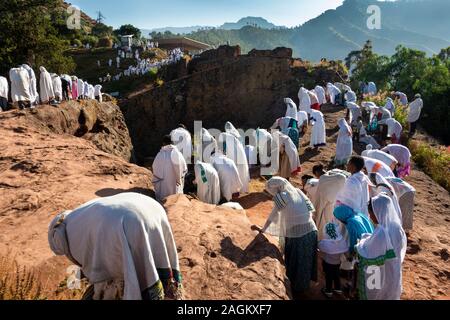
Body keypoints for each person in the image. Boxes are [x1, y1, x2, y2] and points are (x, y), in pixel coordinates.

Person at [48, 193, 183, 300]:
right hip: (152, 208)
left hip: (130, 221)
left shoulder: (71, 238)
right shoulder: (79, 215)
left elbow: (97, 272)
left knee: (121, 281)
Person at [253, 177, 318, 296]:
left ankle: (296, 290)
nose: (271, 193)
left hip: (298, 236)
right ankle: (304, 287)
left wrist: (262, 230)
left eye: (270, 190)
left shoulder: (281, 196)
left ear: (276, 188)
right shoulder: (298, 191)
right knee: (306, 261)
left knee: (296, 263)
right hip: (311, 231)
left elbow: (273, 216)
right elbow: (310, 209)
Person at [356, 194, 406, 300]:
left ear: (378, 212)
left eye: (371, 213)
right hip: (393, 268)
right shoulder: (396, 226)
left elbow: (369, 254)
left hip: (378, 271)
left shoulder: (381, 232)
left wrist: (360, 245)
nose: (370, 216)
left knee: (376, 293)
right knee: (389, 291)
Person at [313, 170, 348, 240]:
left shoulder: (324, 181)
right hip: (336, 212)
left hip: (326, 212)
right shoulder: (341, 181)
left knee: (324, 231)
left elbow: (317, 205)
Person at [152, 135, 188, 201]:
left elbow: (154, 167)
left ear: (163, 143)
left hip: (163, 185)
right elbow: (184, 168)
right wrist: (178, 177)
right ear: (172, 142)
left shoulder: (160, 154)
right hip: (175, 184)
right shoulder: (178, 153)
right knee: (175, 198)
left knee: (163, 199)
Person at [318, 222, 348, 298]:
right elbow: (345, 251)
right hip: (338, 263)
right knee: (337, 276)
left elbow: (320, 247)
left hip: (328, 264)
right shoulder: (342, 242)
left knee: (329, 277)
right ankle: (338, 289)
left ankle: (328, 291)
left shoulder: (325, 243)